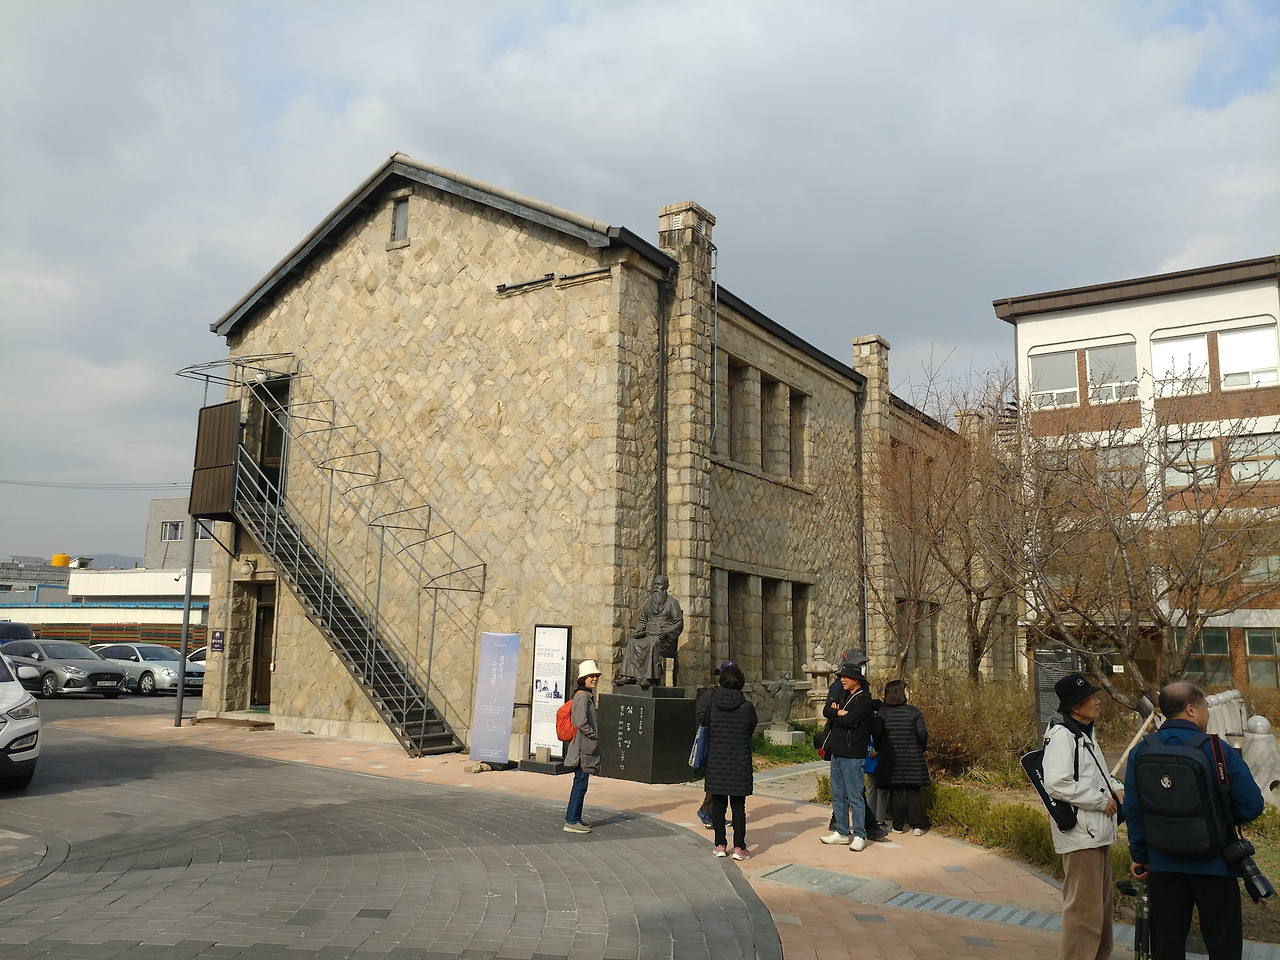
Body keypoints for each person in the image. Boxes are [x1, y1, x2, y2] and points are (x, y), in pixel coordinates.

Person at [1123, 681, 1265, 960]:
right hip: (1216, 865)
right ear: (1190, 709)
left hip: (1163, 865)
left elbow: (1134, 810)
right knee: (1223, 947)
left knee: (1167, 946)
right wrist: (1220, 819)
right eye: (1204, 708)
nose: (1207, 714)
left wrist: (1140, 856)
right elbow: (1252, 805)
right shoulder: (1217, 749)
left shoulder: (1141, 751)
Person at [1044, 672, 1124, 960]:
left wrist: (1116, 787)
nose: (1098, 701)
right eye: (1091, 698)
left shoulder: (1085, 733)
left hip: (1097, 833)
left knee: (1100, 908)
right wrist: (1101, 801)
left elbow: (1097, 775)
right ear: (1076, 707)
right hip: (1081, 835)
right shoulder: (1062, 736)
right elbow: (1056, 782)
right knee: (1083, 911)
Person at [821, 650, 887, 842]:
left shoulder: (864, 699)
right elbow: (827, 711)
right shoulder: (841, 694)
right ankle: (841, 832)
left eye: (846, 677)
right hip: (837, 752)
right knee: (838, 795)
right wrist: (837, 713)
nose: (842, 680)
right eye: (841, 676)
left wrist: (839, 715)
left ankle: (860, 834)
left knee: (855, 796)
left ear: (856, 679)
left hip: (852, 754)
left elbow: (850, 721)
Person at [703, 662, 758, 860]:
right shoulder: (747, 707)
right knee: (738, 806)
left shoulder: (713, 705)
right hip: (739, 763)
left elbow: (705, 724)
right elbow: (751, 729)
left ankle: (720, 845)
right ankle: (739, 848)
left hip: (716, 761)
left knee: (718, 804)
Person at [877, 679, 929, 835]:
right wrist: (923, 748)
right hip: (912, 755)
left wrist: (878, 748)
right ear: (900, 693)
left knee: (896, 791)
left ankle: (898, 826)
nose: (908, 693)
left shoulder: (882, 713)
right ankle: (917, 826)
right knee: (914, 791)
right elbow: (922, 733)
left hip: (891, 758)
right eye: (906, 690)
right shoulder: (913, 712)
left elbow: (877, 734)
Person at [618, 575, 684, 688]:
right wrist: (637, 632)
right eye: (655, 585)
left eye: (660, 585)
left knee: (652, 644)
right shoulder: (649, 602)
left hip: (664, 638)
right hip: (648, 634)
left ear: (666, 586)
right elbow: (643, 620)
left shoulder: (673, 603)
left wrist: (667, 632)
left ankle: (649, 678)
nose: (656, 587)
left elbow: (678, 623)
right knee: (632, 642)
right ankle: (628, 676)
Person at [563, 659, 602, 834]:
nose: (594, 679)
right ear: (583, 678)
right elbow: (581, 722)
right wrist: (593, 734)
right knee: (580, 783)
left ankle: (575, 818)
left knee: (581, 783)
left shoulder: (584, 695)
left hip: (583, 747)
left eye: (596, 676)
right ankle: (572, 821)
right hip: (581, 749)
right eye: (591, 676)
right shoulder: (583, 696)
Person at [694, 661, 734, 829]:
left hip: (729, 745)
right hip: (714, 743)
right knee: (716, 780)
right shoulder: (710, 694)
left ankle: (714, 813)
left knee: (724, 782)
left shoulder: (735, 696)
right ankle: (706, 811)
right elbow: (701, 717)